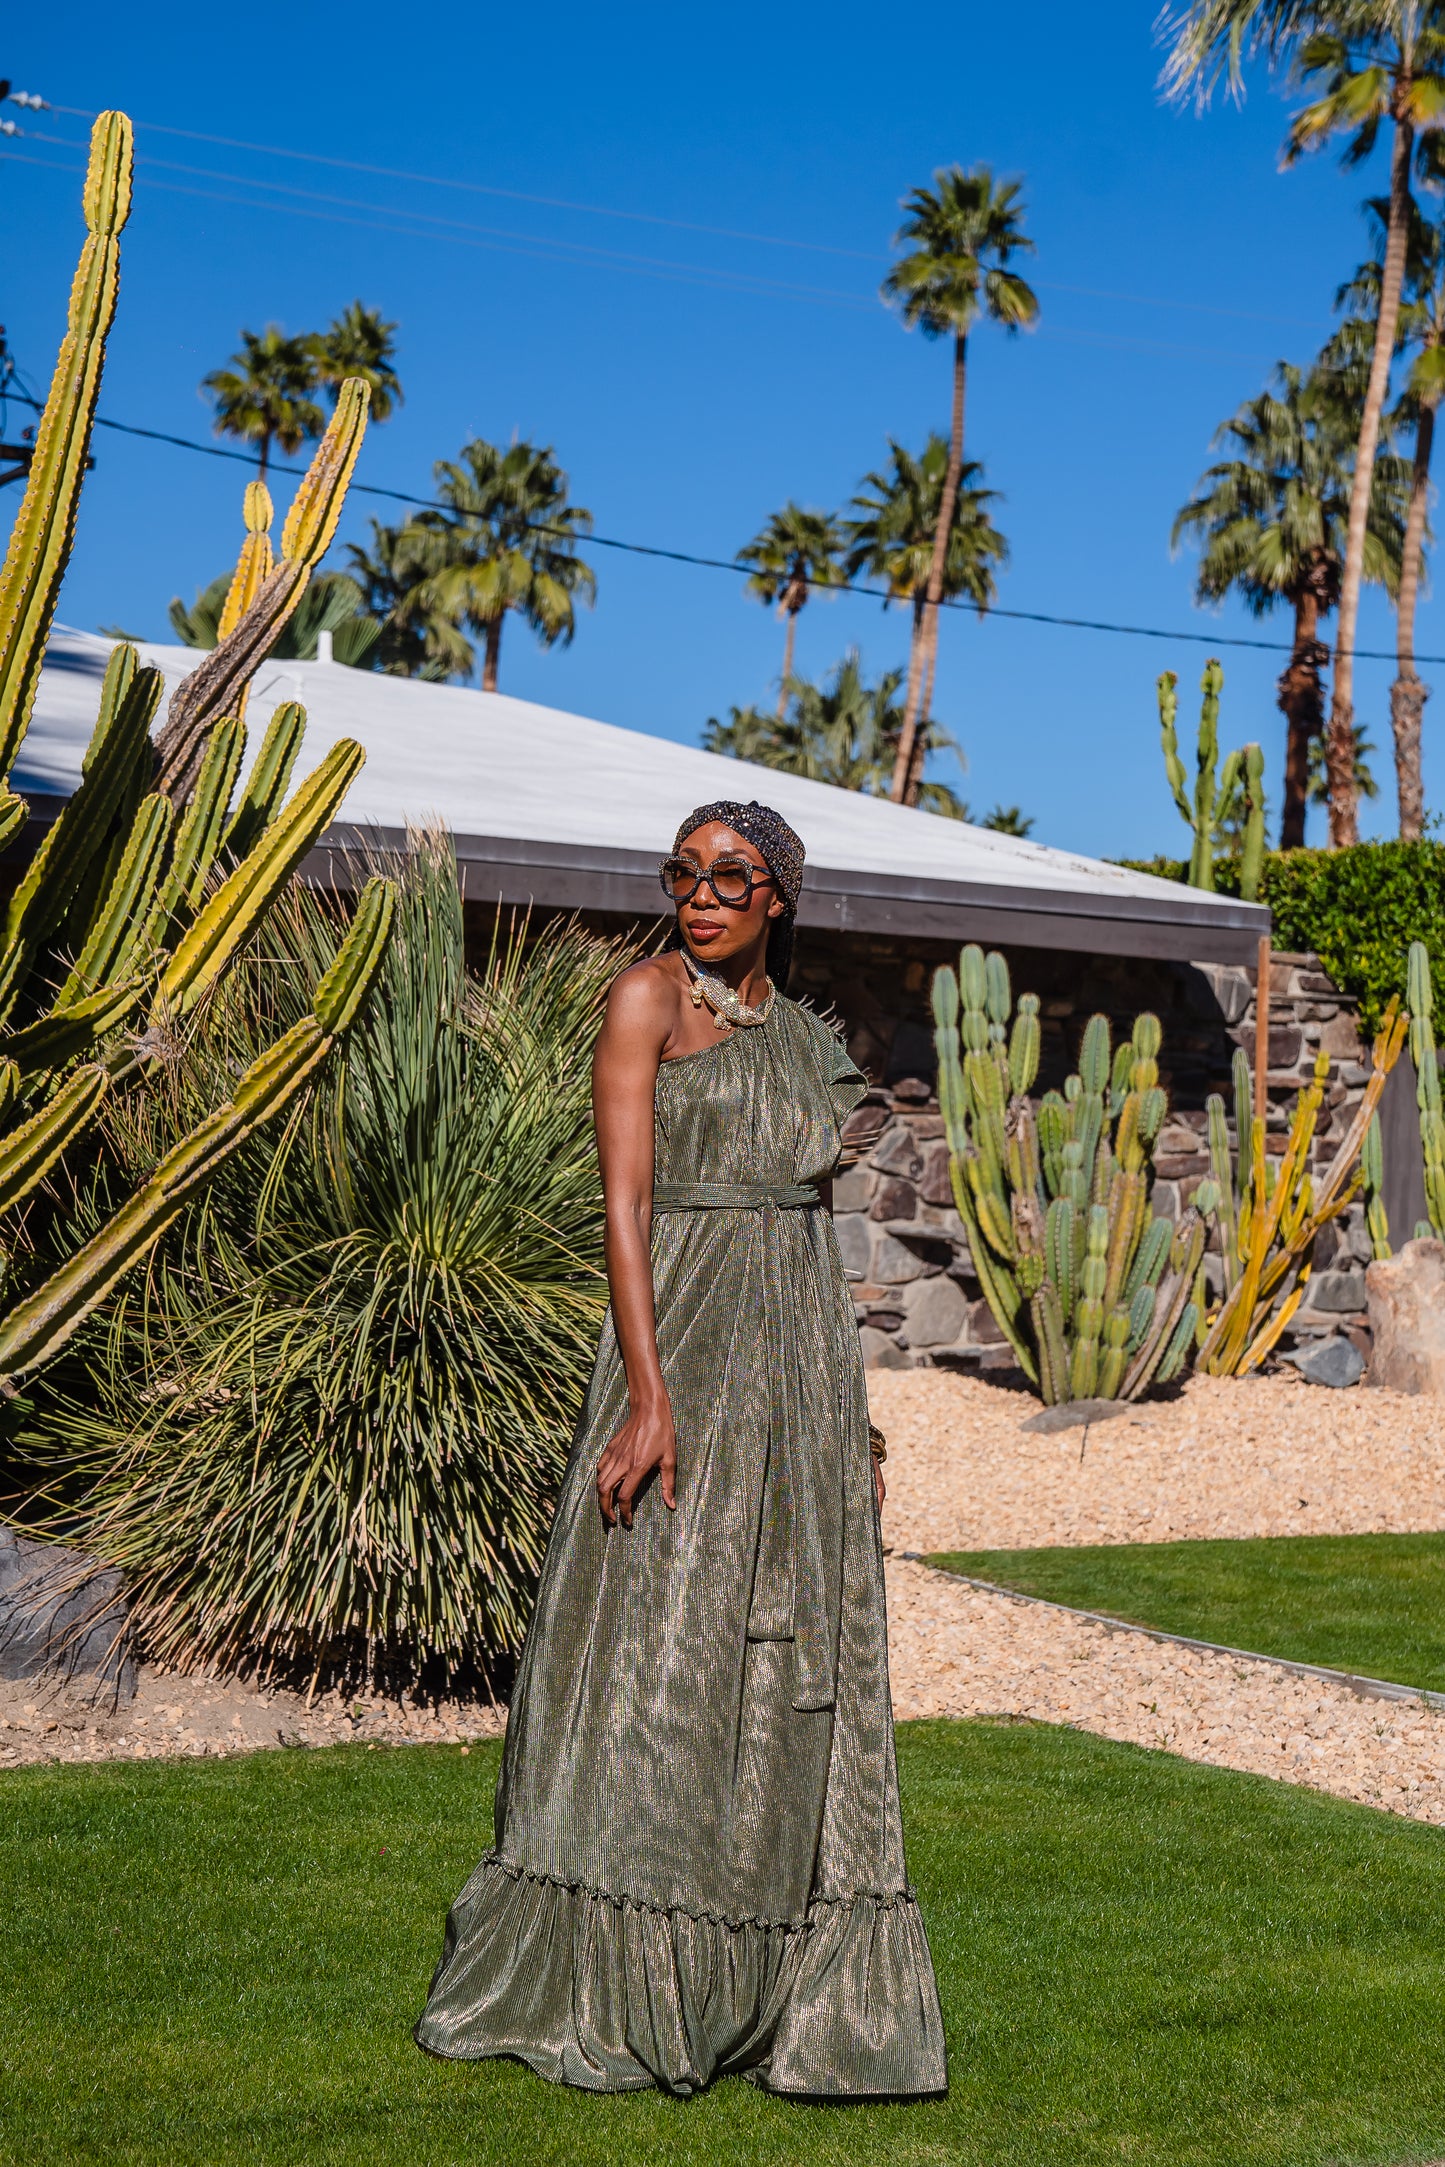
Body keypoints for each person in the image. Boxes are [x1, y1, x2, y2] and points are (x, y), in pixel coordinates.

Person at [415, 799, 946, 2099]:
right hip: (685, 1332)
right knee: (658, 1629)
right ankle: (617, 1961)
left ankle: (770, 1968)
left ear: (779, 898)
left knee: (778, 1651)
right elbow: (625, 1201)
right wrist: (648, 1398)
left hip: (794, 1364)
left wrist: (847, 1419)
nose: (700, 894)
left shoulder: (805, 1039)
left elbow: (809, 1235)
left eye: (730, 875)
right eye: (683, 873)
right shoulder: (642, 1000)